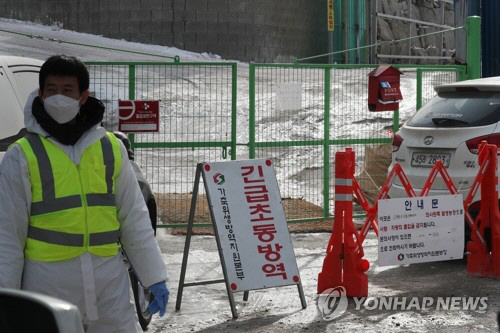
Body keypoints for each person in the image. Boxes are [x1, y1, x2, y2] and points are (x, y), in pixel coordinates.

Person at [0, 55, 168, 332]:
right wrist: (7, 298)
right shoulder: (22, 154)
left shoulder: (110, 147)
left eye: (67, 90)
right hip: (47, 282)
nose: (58, 97)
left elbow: (133, 216)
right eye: (51, 90)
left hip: (108, 280)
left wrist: (153, 276)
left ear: (83, 96)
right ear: (40, 94)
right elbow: (7, 234)